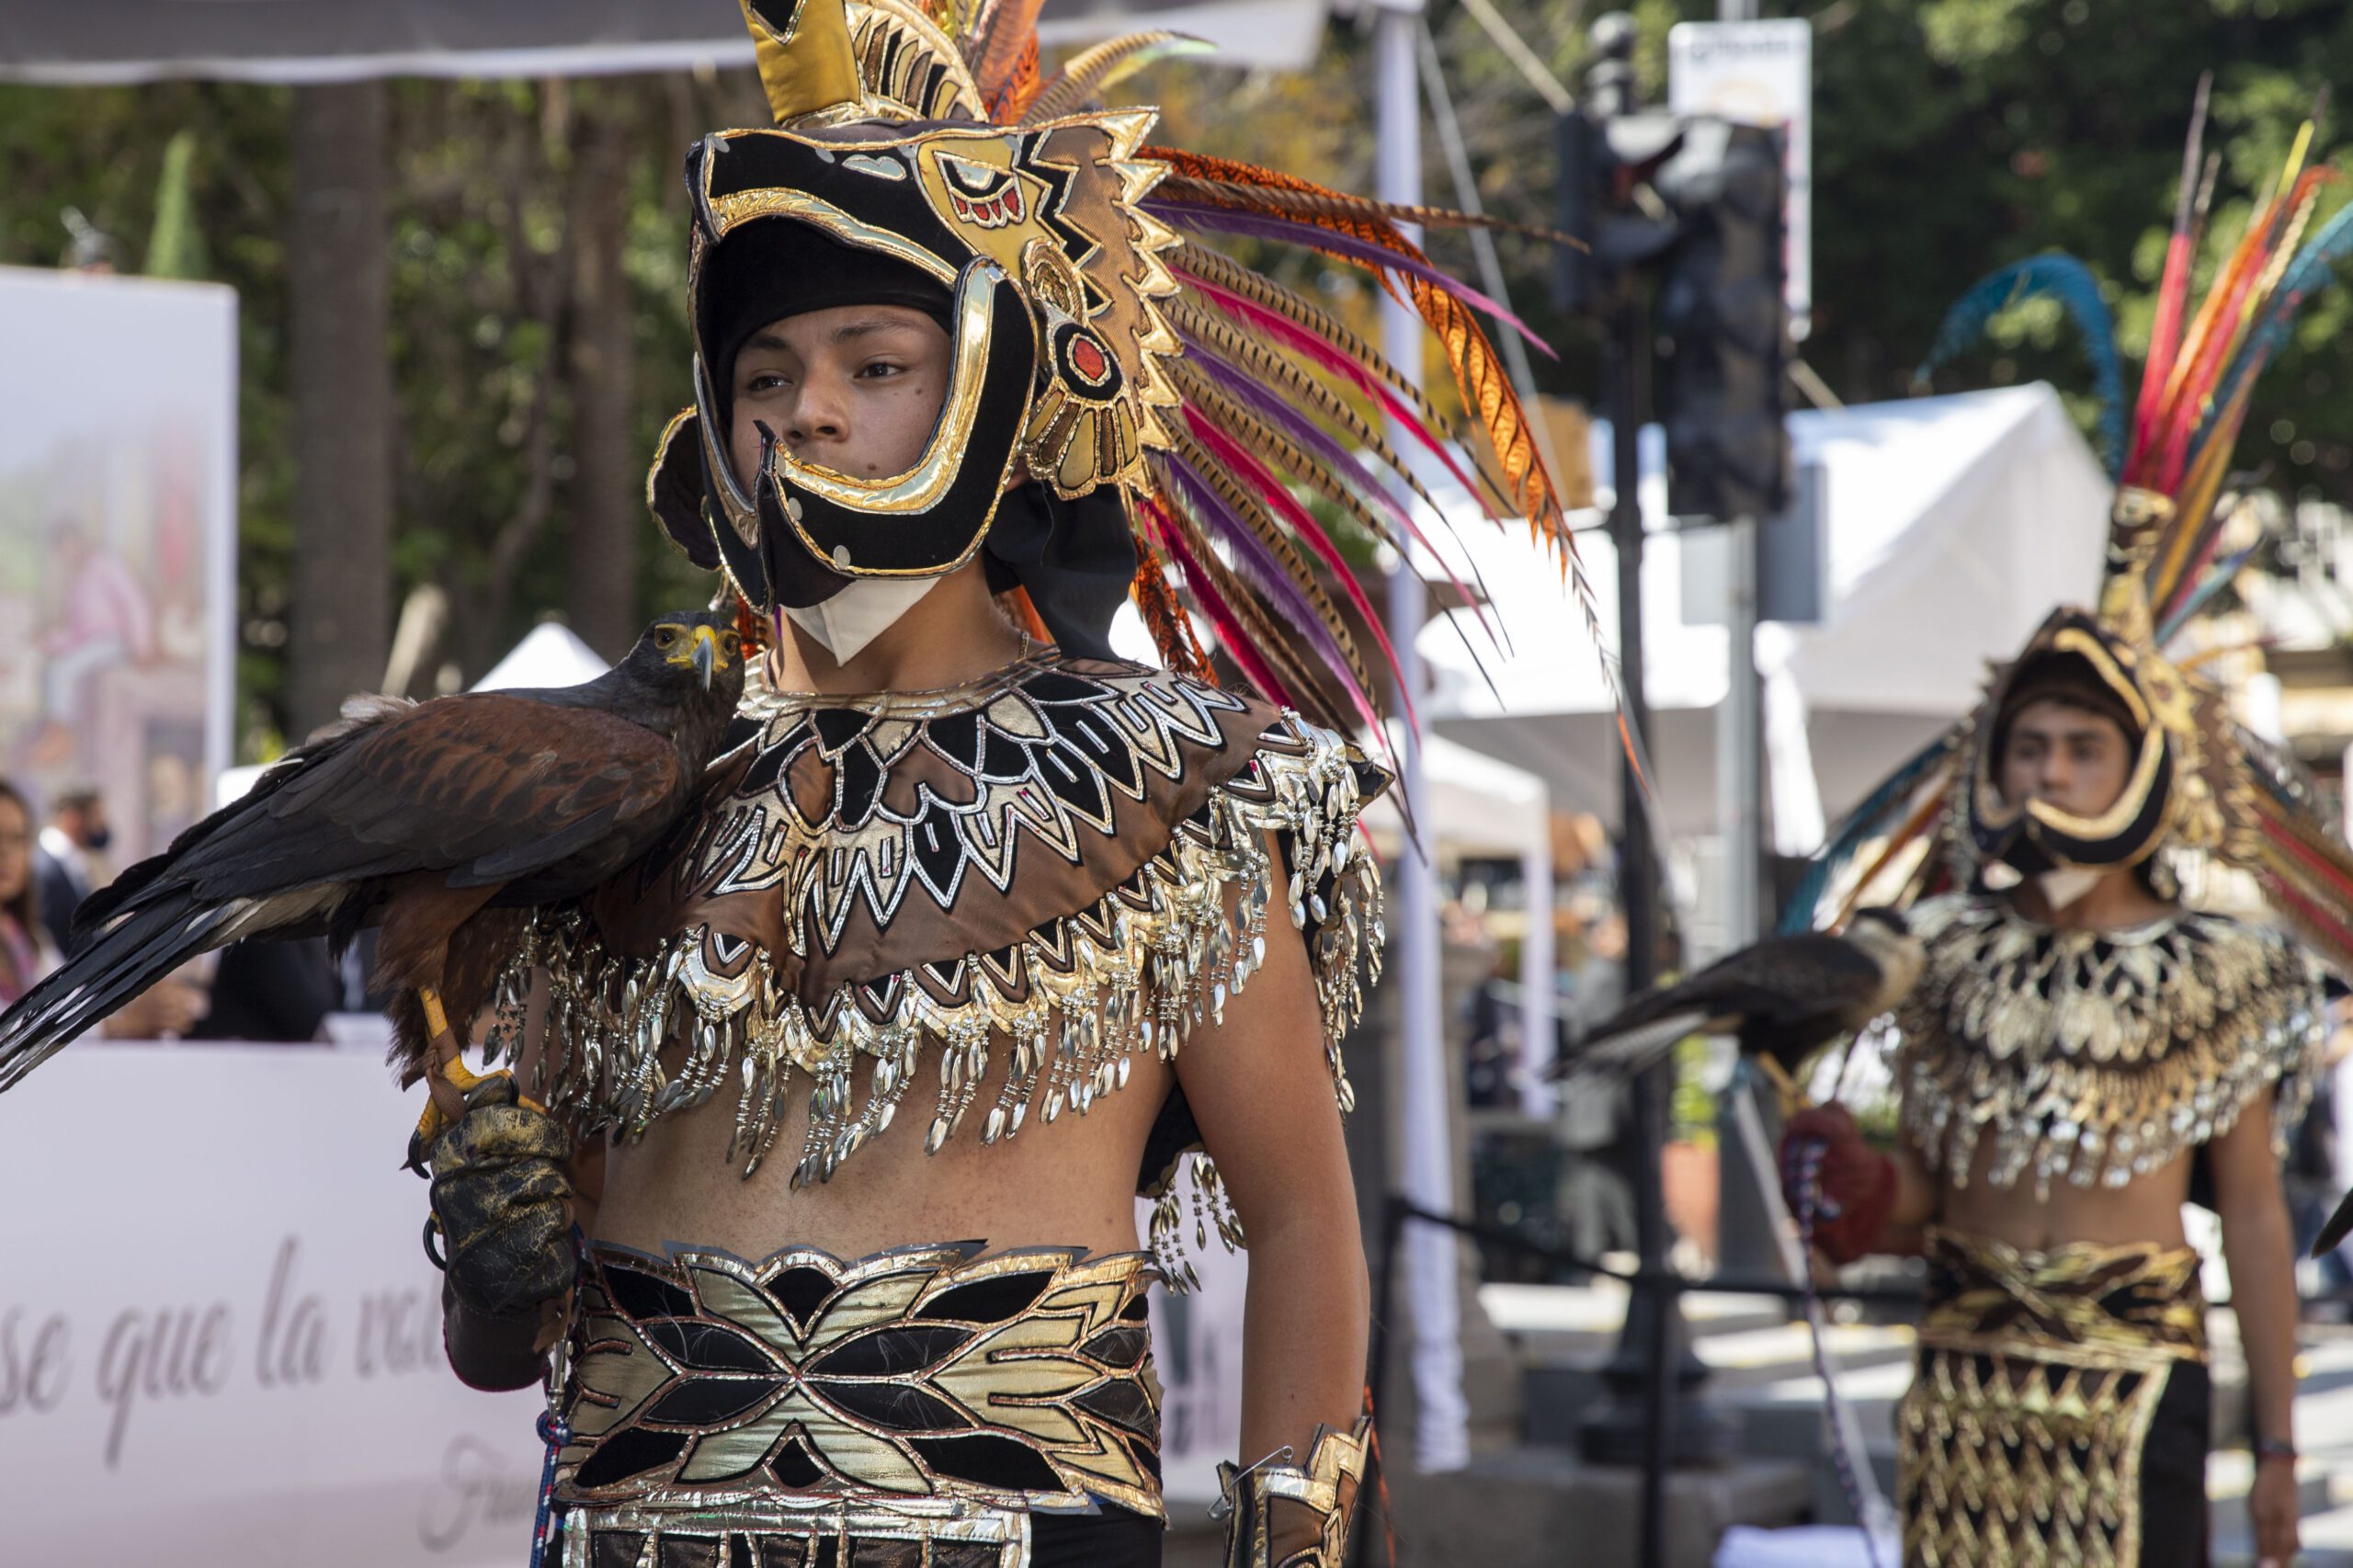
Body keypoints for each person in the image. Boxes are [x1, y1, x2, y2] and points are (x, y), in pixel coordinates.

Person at [415, 5, 1590, 1564]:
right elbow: (508, 1340)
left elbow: (1306, 1219)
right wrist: (494, 1269)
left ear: (997, 393)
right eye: (764, 373)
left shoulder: (1180, 790)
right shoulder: (625, 792)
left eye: (875, 362)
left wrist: (1294, 1549)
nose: (806, 411)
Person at [1773, 119, 2353, 1567]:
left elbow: (2261, 1232)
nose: (2047, 771)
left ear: (2145, 768)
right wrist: (1861, 1188)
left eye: (2083, 746)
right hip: (1962, 1390)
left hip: (2140, 1389)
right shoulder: (1944, 950)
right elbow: (1937, 1197)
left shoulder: (2222, 964)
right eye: (2028, 745)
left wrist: (2278, 1445)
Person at [33, 781, 108, 952]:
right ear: (73, 819)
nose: (102, 824)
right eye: (96, 815)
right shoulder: (46, 870)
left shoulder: (70, 863)